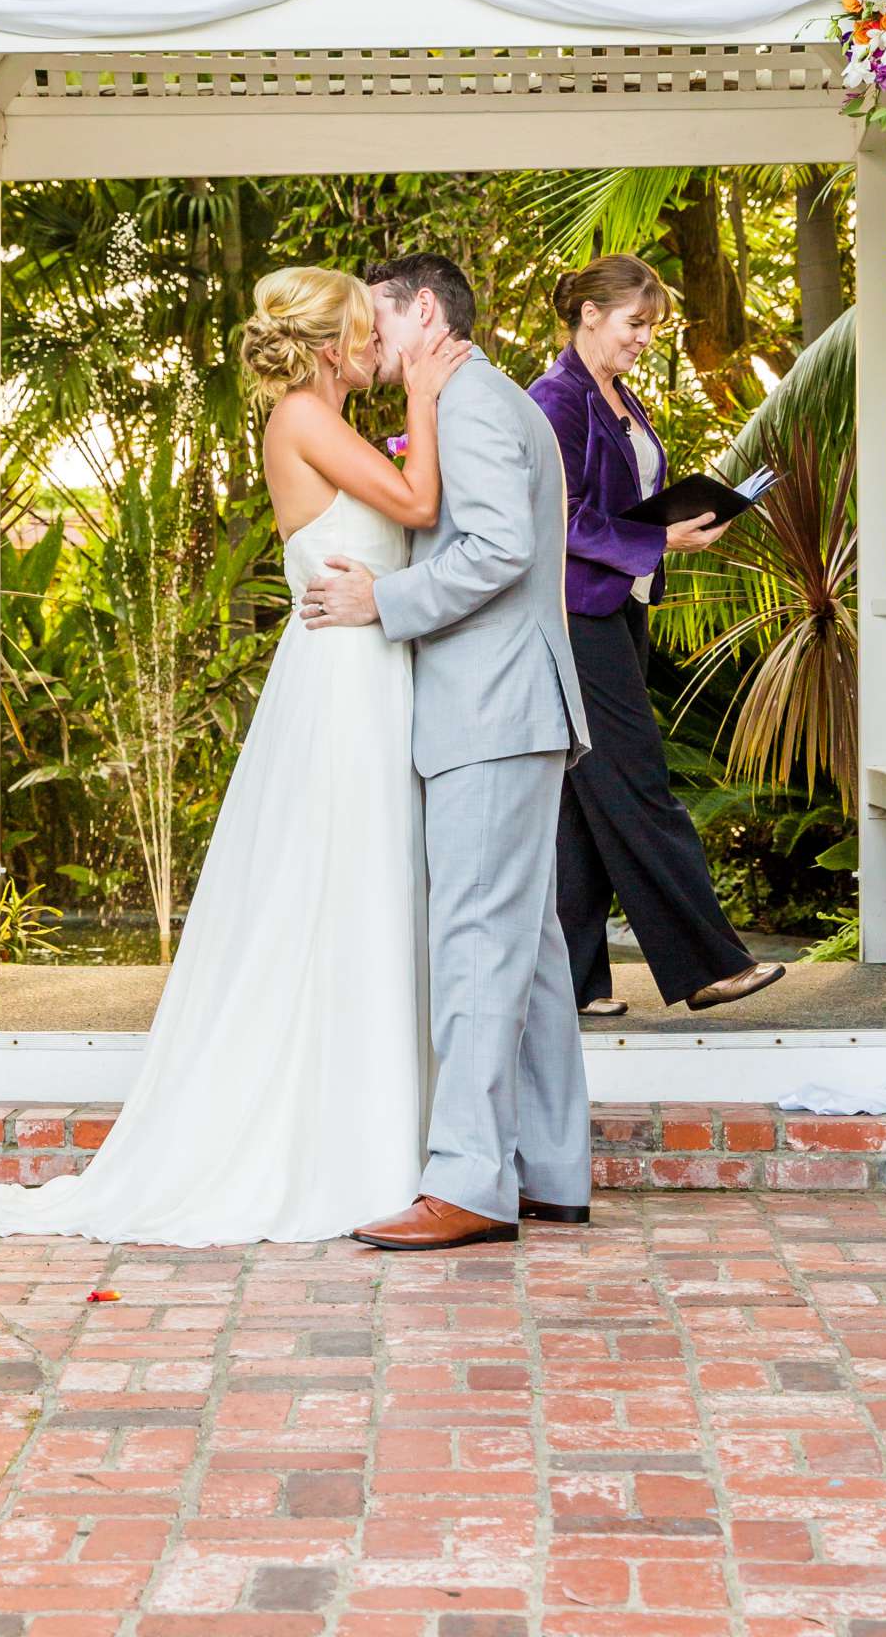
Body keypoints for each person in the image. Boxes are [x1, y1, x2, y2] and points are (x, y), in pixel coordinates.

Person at [0, 265, 469, 1246]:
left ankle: (384, 1129)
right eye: (367, 333)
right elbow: (418, 504)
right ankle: (345, 1147)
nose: (383, 347)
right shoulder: (303, 417)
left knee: (366, 891)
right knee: (343, 886)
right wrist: (426, 397)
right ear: (334, 343)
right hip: (342, 685)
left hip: (369, 673)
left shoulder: (319, 417)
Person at [303, 253, 594, 1250]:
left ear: (424, 311)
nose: (370, 346)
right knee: (532, 952)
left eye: (378, 324)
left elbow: (497, 549)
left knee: (474, 944)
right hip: (514, 709)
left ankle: (471, 1181)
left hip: (489, 711)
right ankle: (551, 1166)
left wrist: (378, 600)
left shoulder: (467, 400)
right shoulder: (483, 395)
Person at [529, 256, 787, 1019]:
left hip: (621, 608)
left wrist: (675, 529)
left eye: (651, 327)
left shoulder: (617, 393)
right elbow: (560, 518)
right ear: (588, 315)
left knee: (586, 800)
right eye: (635, 324)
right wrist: (661, 543)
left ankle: (575, 983)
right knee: (638, 781)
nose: (646, 339)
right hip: (579, 617)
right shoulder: (556, 399)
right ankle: (709, 964)